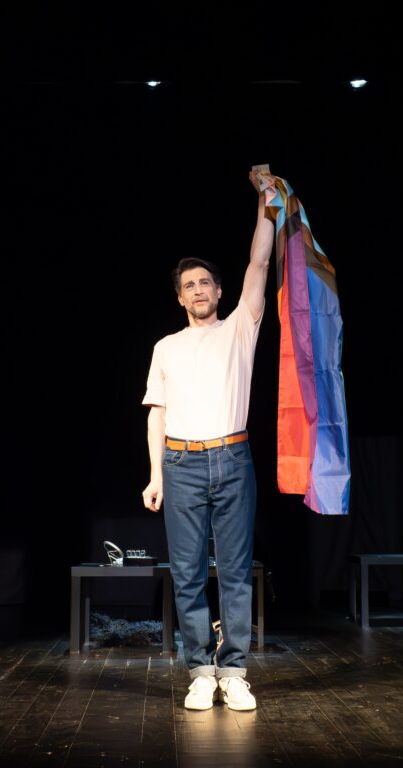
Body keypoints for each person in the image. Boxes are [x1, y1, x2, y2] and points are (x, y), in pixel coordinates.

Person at [141, 168, 276, 711]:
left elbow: (259, 263)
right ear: (180, 298)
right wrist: (155, 475)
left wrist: (267, 202)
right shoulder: (166, 347)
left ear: (220, 291)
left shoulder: (241, 326)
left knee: (238, 571)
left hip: (233, 458)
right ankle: (201, 670)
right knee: (188, 572)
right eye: (189, 286)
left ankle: (234, 671)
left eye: (205, 283)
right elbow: (156, 413)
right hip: (182, 463)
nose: (198, 290)